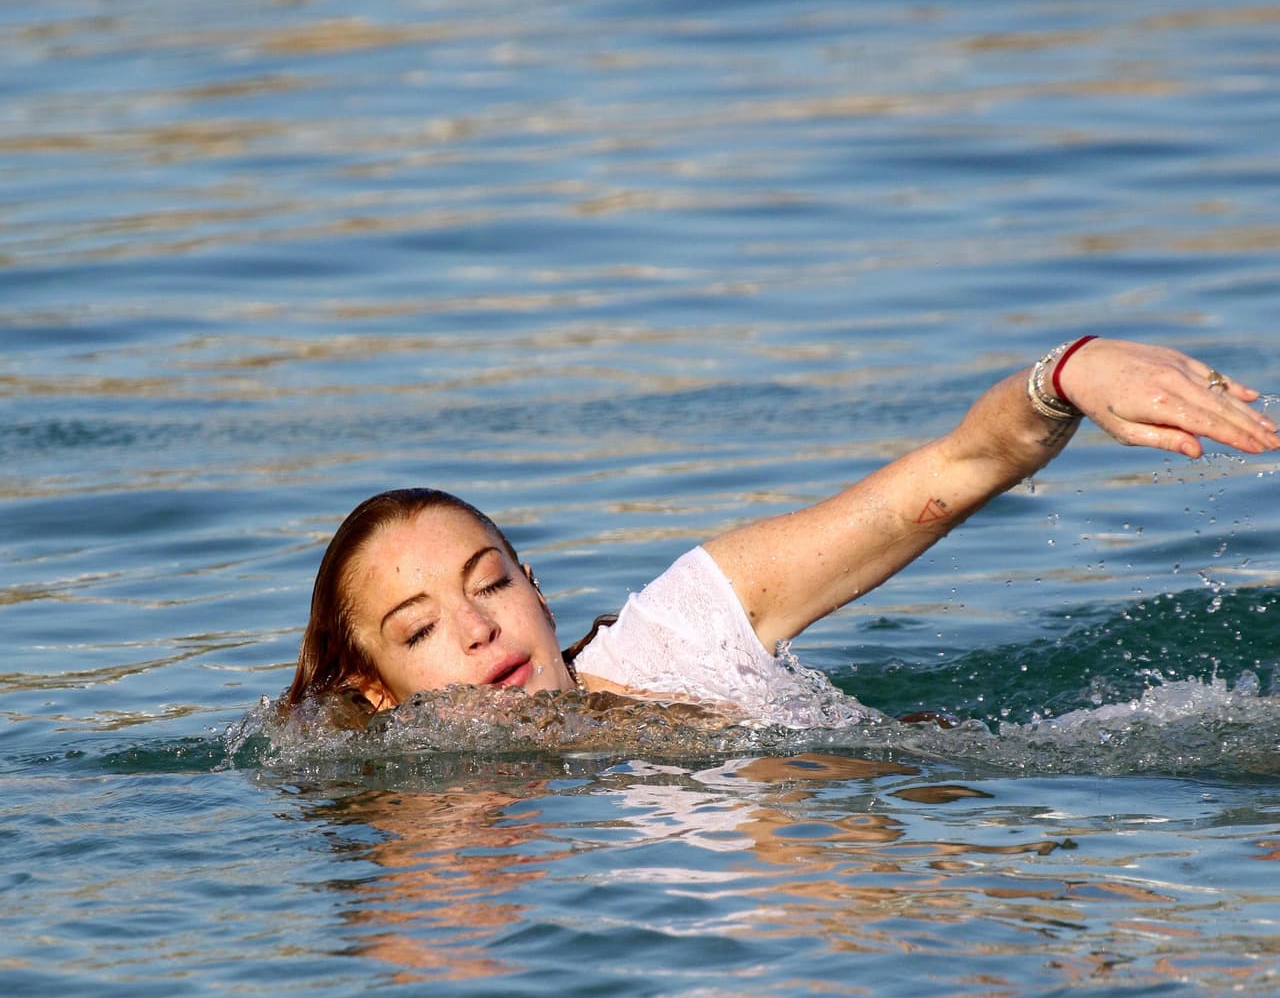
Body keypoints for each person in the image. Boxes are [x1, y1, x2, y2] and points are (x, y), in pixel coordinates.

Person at [285, 338, 1276, 719]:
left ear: (535, 587)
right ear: (373, 689)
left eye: (490, 581)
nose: (476, 628)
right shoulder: (437, 829)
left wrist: (1064, 377)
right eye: (417, 629)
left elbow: (953, 471)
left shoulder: (687, 627)